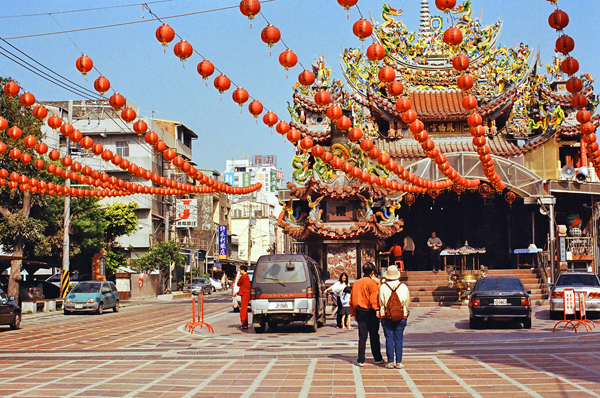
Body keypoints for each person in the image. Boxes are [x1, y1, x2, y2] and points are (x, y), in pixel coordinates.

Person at [350, 262, 383, 367]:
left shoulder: (356, 283)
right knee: (374, 335)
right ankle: (377, 358)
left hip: (360, 310)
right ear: (372, 272)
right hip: (371, 311)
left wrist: (354, 312)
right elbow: (374, 299)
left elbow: (353, 299)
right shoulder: (373, 283)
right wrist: (377, 309)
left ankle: (361, 359)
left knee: (362, 336)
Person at [379, 265, 410, 369]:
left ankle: (390, 361)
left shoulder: (383, 286)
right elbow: (407, 301)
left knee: (389, 338)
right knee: (399, 338)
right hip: (401, 315)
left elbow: (380, 302)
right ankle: (399, 362)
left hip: (386, 315)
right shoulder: (403, 286)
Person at [236, 265, 251, 330]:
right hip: (246, 294)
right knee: (244, 309)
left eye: (240, 270)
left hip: (245, 294)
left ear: (242, 270)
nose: (239, 271)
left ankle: (244, 324)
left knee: (243, 309)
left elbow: (238, 283)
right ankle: (245, 323)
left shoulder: (243, 277)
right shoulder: (247, 277)